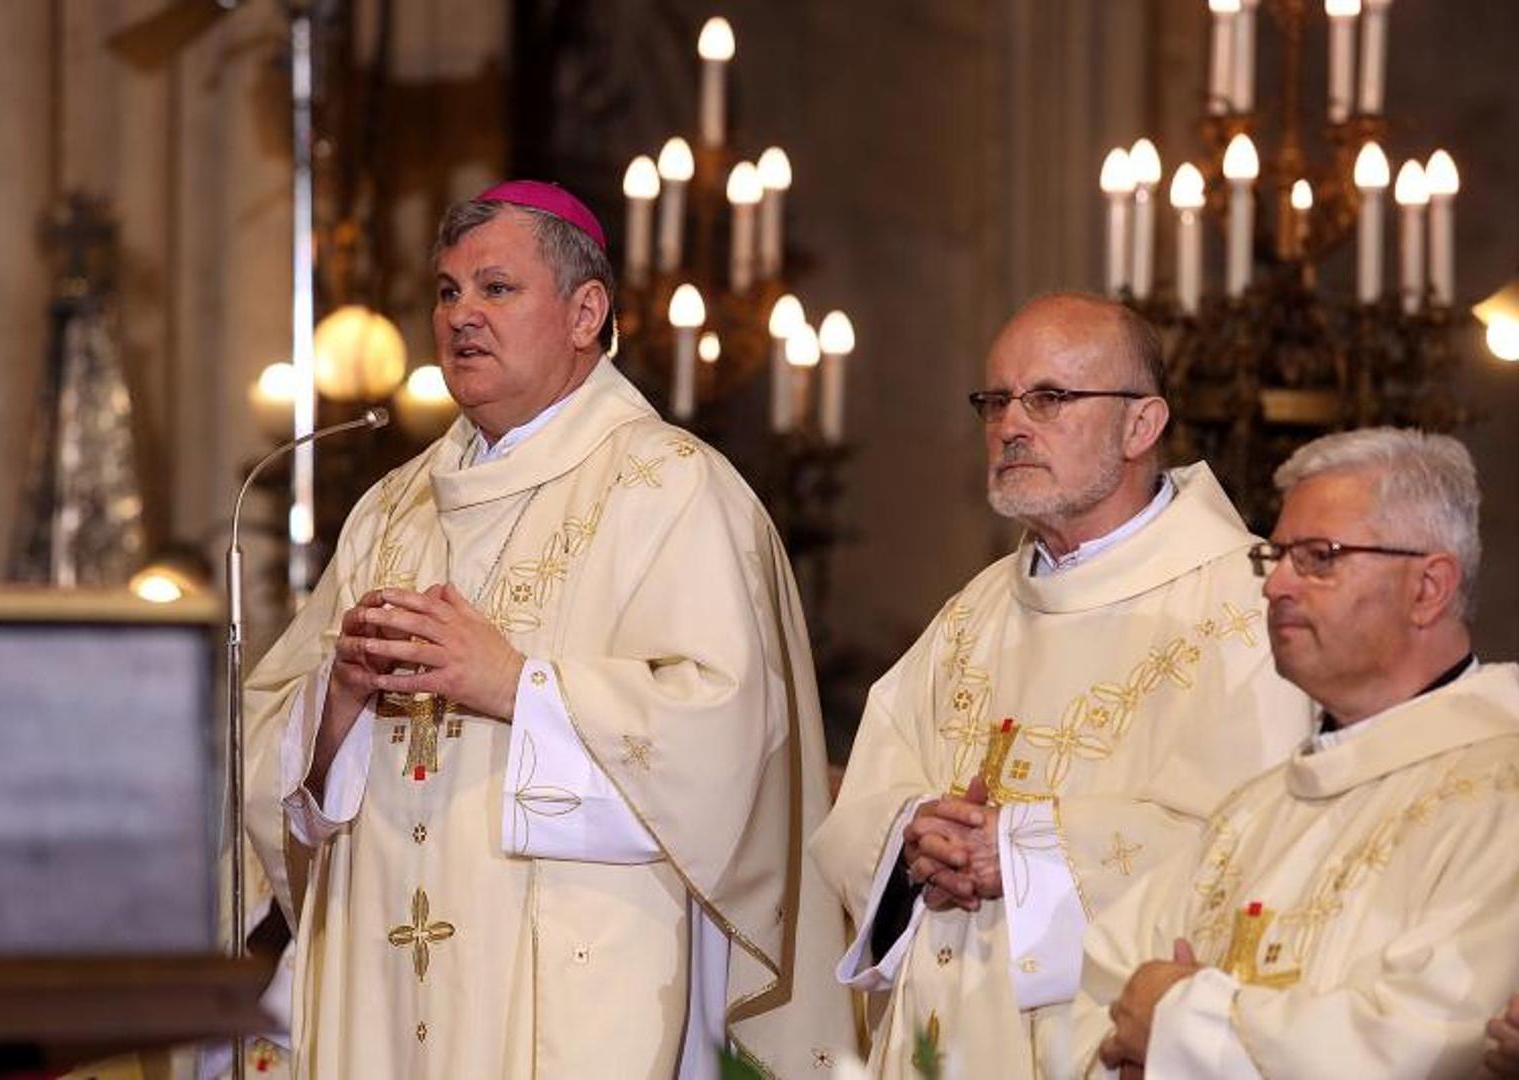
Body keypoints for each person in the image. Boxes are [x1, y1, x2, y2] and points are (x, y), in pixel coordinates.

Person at [242, 181, 854, 1077]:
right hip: (380, 975)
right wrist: (334, 704)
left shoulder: (669, 486)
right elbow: (265, 747)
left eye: (496, 288)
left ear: (584, 313)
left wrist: (513, 684)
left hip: (579, 984)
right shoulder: (391, 511)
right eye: (447, 291)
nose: (460, 315)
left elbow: (724, 739)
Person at [809, 292, 1308, 1077]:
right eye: (996, 400)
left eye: (1048, 398)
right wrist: (913, 834)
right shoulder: (975, 611)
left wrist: (1021, 853)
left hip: (1100, 1038)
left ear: (1140, 425)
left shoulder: (1245, 608)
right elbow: (867, 792)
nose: (1011, 424)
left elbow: (1256, 843)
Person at [1063, 427, 1519, 1079]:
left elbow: (1425, 1042)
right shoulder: (1256, 809)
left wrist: (1178, 1028)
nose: (1275, 585)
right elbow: (1109, 986)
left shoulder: (1498, 793)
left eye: (1318, 557)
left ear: (1427, 588)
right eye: (1275, 556)